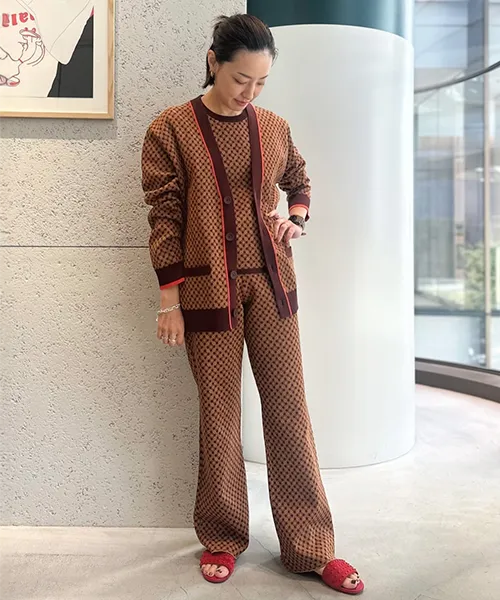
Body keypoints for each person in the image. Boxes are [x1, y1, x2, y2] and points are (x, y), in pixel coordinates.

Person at [142, 13, 364, 596]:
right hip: (205, 289)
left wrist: (296, 217)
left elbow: (298, 179)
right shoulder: (171, 128)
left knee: (289, 409)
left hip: (273, 284)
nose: (250, 91)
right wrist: (169, 301)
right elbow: (165, 217)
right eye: (241, 79)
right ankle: (222, 535)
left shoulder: (273, 126)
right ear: (214, 62)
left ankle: (311, 545)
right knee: (219, 413)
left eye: (262, 81)